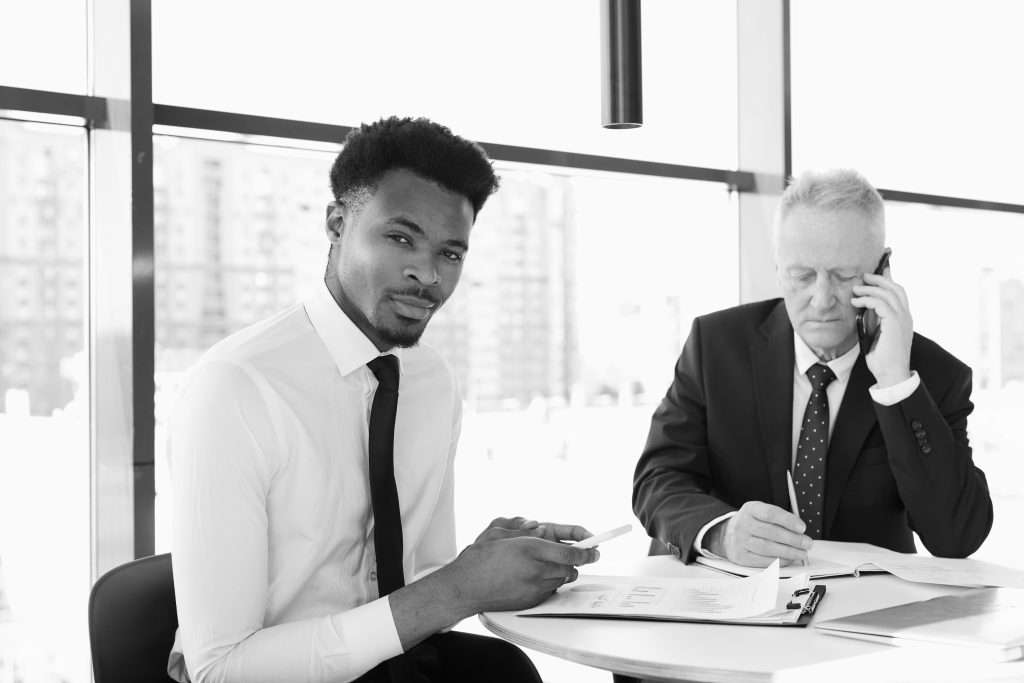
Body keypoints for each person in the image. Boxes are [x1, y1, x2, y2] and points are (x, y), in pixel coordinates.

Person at [167, 116, 598, 683]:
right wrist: (456, 589)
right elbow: (220, 669)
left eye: (450, 254)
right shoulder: (237, 387)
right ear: (337, 223)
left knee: (507, 672)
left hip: (397, 664)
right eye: (400, 238)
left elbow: (422, 580)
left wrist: (483, 562)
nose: (427, 275)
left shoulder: (430, 380)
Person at [633, 168, 993, 568]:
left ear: (882, 269)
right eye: (802, 276)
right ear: (777, 268)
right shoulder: (716, 346)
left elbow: (958, 536)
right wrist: (721, 532)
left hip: (866, 613)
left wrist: (895, 384)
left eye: (844, 277)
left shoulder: (931, 376)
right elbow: (657, 478)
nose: (821, 300)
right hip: (735, 604)